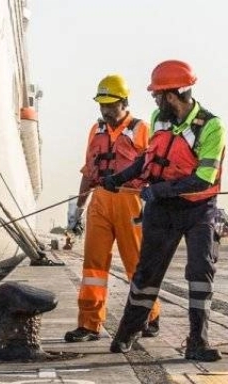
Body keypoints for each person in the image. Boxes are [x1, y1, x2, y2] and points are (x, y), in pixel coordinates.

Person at [101, 60, 227, 361]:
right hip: (163, 211)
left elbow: (203, 179)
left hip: (199, 210)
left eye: (157, 96)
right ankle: (127, 333)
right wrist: (118, 179)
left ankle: (198, 342)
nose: (155, 102)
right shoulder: (160, 118)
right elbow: (148, 160)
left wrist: (158, 190)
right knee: (147, 273)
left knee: (200, 272)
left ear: (171, 96)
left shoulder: (212, 126)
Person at [62, 75, 160, 343]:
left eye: (111, 105)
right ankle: (89, 324)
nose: (105, 111)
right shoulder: (96, 131)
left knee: (136, 264)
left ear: (124, 102)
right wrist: (77, 211)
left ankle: (149, 316)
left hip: (131, 201)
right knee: (93, 266)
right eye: (101, 105)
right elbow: (88, 171)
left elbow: (153, 169)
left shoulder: (142, 129)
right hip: (100, 201)